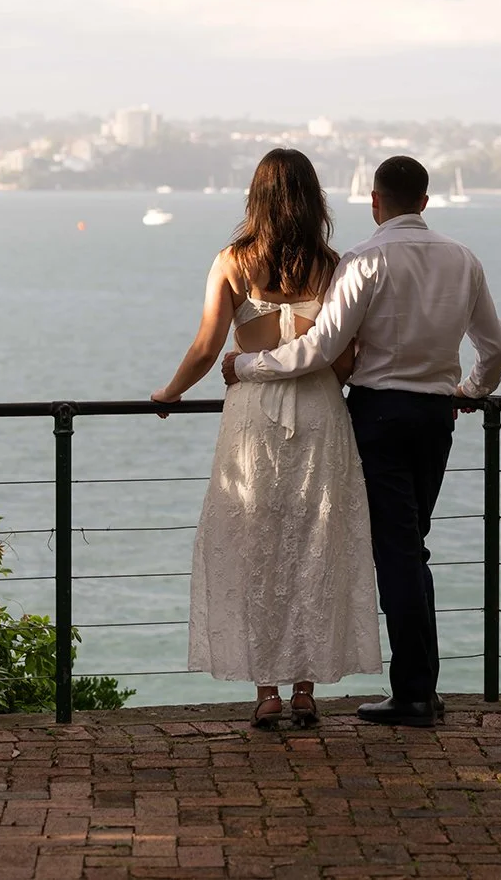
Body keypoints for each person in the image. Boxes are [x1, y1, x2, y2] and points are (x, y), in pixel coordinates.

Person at [223, 155, 501, 728]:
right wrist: (468, 392)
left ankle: (414, 694)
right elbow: (495, 350)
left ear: (375, 201)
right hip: (436, 416)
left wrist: (248, 365)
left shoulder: (365, 260)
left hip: (379, 414)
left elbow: (322, 349)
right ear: (425, 202)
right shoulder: (463, 260)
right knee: (413, 547)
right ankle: (422, 686)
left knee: (400, 554)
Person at [151, 148, 382, 729]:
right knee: (314, 541)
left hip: (252, 417)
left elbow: (207, 348)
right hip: (319, 413)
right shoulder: (332, 267)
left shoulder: (232, 261)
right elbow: (345, 361)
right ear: (313, 200)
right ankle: (307, 690)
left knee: (256, 542)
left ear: (256, 198)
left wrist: (170, 392)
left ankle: (268, 692)